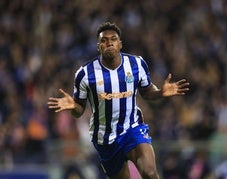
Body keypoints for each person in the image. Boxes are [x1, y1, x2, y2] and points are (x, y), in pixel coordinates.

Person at [48, 22, 190, 179]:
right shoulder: (85, 74)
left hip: (132, 129)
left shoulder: (136, 64)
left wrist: (160, 92)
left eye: (113, 39)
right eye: (104, 40)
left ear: (120, 44)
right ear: (98, 46)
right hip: (105, 138)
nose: (109, 42)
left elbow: (147, 92)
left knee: (150, 173)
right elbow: (79, 111)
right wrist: (73, 106)